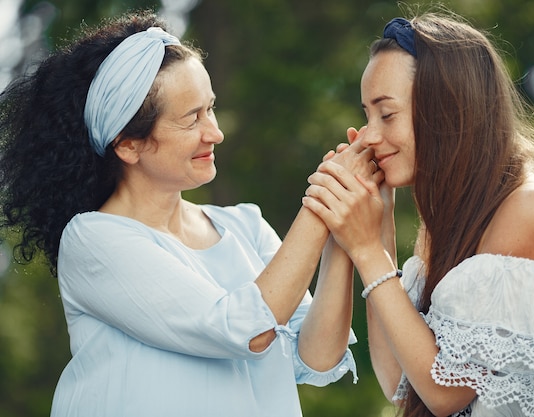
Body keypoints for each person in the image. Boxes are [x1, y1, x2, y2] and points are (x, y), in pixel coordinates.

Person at [0, 11, 381, 417]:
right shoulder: (94, 240)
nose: (214, 132)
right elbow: (243, 330)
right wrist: (322, 200)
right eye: (190, 119)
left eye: (210, 109)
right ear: (128, 145)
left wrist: (341, 214)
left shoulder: (245, 225)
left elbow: (317, 358)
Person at [303, 12, 534, 417]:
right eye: (367, 115)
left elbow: (444, 392)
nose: (367, 135)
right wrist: (379, 222)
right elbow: (402, 386)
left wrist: (367, 250)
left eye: (386, 114)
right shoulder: (444, 231)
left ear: (448, 109)